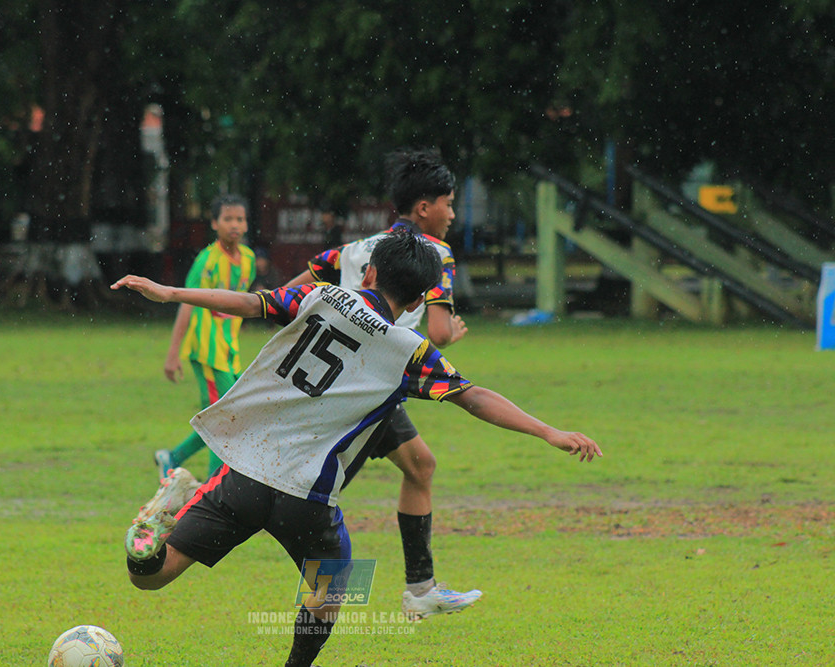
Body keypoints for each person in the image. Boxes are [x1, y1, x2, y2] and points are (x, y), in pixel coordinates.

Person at [111, 231, 603, 667]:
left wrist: (169, 292)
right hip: (307, 497)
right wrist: (548, 432)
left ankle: (146, 540)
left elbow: (251, 302)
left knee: (152, 578)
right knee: (333, 587)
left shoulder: (323, 296)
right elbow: (474, 398)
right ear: (417, 300)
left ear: (369, 271)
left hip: (245, 471)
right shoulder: (407, 350)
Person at [285, 147, 475, 620]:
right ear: (424, 207)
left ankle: (421, 588)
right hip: (369, 388)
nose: (453, 214)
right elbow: (435, 333)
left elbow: (292, 294)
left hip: (337, 379)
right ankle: (192, 512)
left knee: (420, 467)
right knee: (309, 497)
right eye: (449, 203)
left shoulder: (352, 250)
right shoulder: (436, 254)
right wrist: (452, 333)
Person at [154, 194, 256, 481]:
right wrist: (173, 354)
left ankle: (173, 457)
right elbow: (186, 302)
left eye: (240, 219)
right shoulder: (206, 261)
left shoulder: (248, 259)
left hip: (230, 350)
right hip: (206, 350)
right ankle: (214, 486)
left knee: (226, 415)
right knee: (223, 418)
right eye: (228, 219)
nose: (234, 225)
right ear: (214, 223)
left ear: (246, 224)